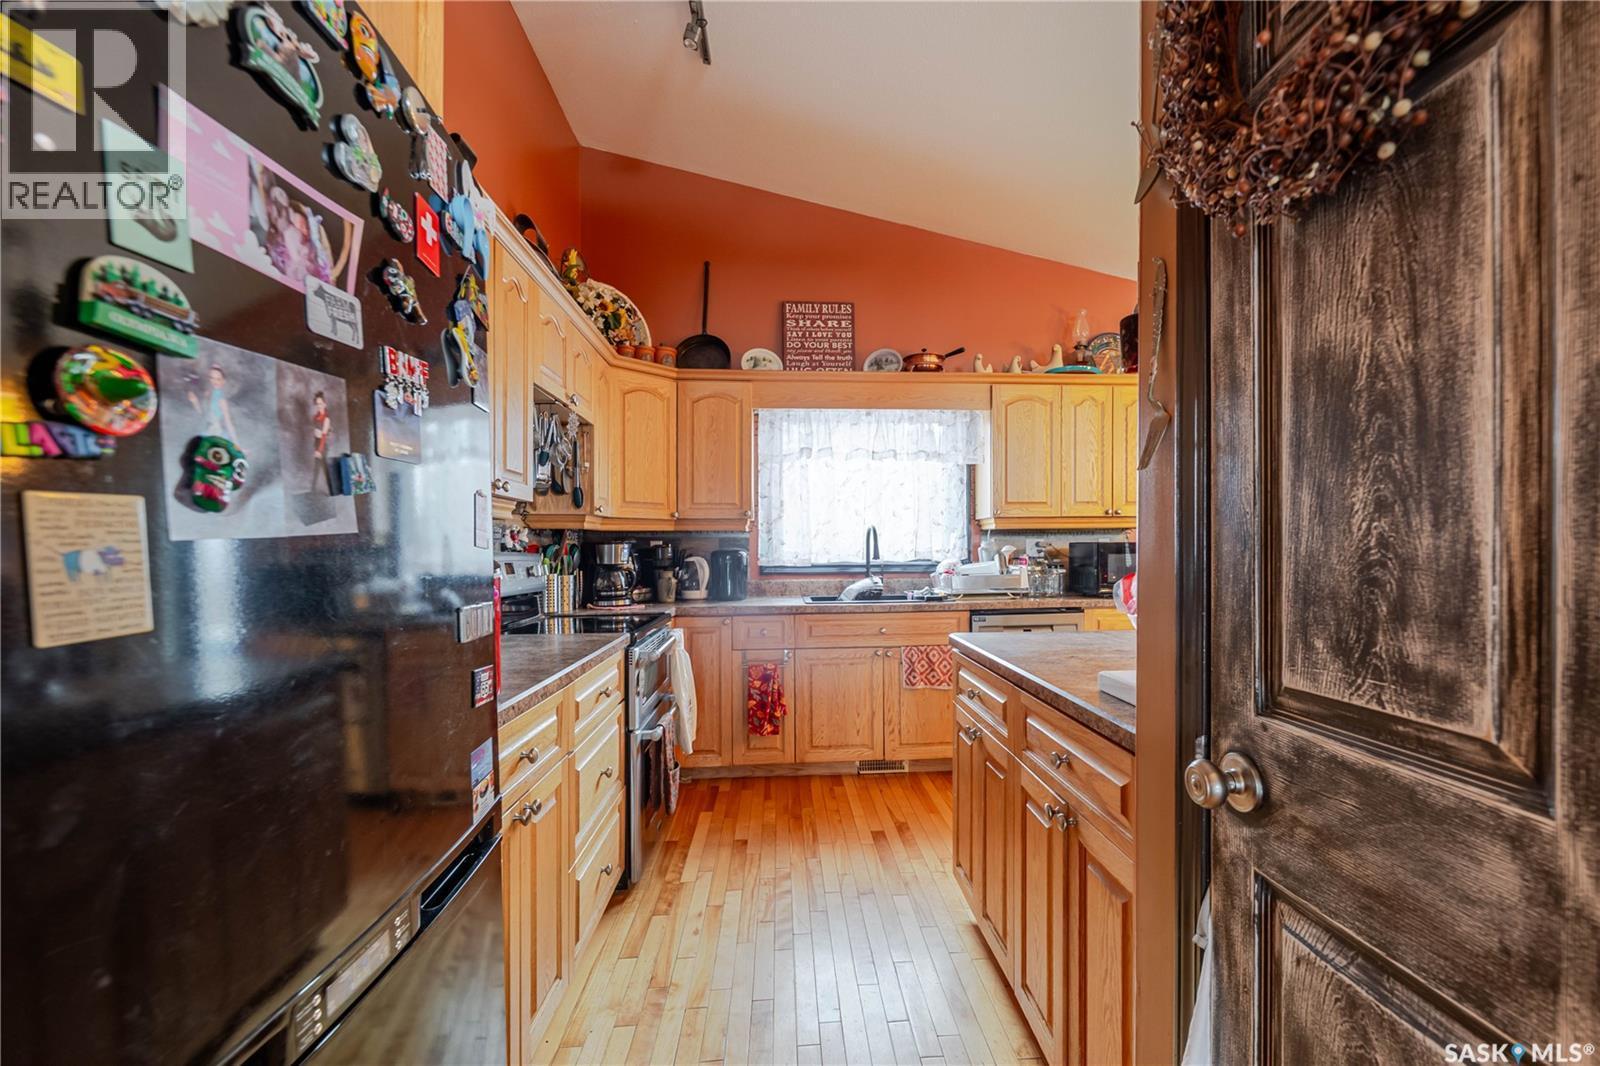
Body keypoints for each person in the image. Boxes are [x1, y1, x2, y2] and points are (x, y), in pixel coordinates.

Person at [188, 363, 237, 442]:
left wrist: (236, 444)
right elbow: (202, 414)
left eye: (218, 379)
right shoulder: (208, 393)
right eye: (212, 378)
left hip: (217, 434)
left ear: (223, 381)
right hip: (206, 431)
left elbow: (228, 422)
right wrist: (195, 402)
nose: (215, 381)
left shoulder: (222, 400)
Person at [309, 390, 330, 491]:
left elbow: (324, 436)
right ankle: (313, 489)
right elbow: (315, 431)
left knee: (323, 467)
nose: (319, 406)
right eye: (317, 404)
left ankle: (329, 488)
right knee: (317, 467)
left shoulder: (326, 419)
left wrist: (319, 450)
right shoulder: (315, 417)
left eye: (320, 403)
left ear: (324, 404)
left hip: (323, 445)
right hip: (316, 443)